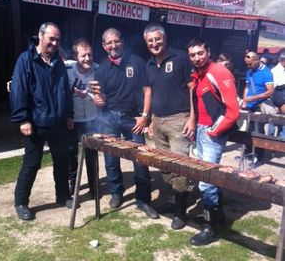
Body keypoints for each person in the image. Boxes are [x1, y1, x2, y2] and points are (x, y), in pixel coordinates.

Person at [10, 22, 73, 221]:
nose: (54, 43)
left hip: (58, 122)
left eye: (57, 40)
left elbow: (65, 89)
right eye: (51, 38)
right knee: (31, 163)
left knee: (61, 161)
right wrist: (23, 119)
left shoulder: (58, 61)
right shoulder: (26, 59)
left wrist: (69, 114)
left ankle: (62, 196)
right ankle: (21, 202)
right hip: (35, 123)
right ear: (40, 36)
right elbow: (18, 89)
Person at [92, 27, 159, 219]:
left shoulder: (137, 62)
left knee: (140, 158)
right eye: (109, 43)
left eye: (116, 41)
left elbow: (147, 90)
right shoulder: (101, 70)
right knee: (111, 159)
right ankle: (116, 193)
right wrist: (98, 99)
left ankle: (143, 200)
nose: (113, 45)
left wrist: (145, 116)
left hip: (133, 119)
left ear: (122, 42)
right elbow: (100, 97)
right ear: (104, 46)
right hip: (109, 118)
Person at [187, 37, 239, 246]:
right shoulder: (198, 74)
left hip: (211, 133)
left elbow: (233, 111)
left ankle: (211, 229)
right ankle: (218, 218)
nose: (197, 58)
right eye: (192, 55)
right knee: (207, 177)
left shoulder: (218, 71)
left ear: (208, 51)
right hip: (201, 130)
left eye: (200, 53)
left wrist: (212, 132)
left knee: (205, 182)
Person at [143, 23, 194, 230]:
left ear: (165, 38)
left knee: (180, 165)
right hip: (159, 120)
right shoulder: (148, 65)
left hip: (179, 119)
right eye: (150, 41)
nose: (154, 44)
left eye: (157, 39)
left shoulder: (181, 58)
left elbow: (192, 89)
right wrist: (151, 120)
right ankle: (174, 200)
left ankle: (180, 212)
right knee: (164, 165)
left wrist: (192, 118)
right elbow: (151, 93)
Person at [65, 39, 99, 207]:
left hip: (92, 118)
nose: (87, 58)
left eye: (89, 54)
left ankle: (94, 186)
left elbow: (103, 96)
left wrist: (89, 95)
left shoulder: (99, 70)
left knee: (91, 154)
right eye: (83, 55)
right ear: (75, 56)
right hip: (73, 118)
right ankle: (72, 184)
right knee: (71, 152)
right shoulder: (67, 69)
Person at [241, 51, 274, 164]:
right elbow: (247, 86)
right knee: (249, 130)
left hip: (260, 106)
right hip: (250, 106)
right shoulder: (250, 71)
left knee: (258, 131)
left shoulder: (266, 73)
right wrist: (245, 99)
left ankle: (259, 156)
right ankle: (248, 152)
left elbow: (270, 92)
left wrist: (253, 98)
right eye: (247, 64)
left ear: (257, 60)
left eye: (250, 64)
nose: (249, 67)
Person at [271, 52, 285, 138]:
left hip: (283, 101)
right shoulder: (274, 71)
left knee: (283, 125)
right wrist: (274, 105)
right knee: (272, 125)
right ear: (283, 60)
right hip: (276, 101)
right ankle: (269, 147)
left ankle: (280, 146)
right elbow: (272, 89)